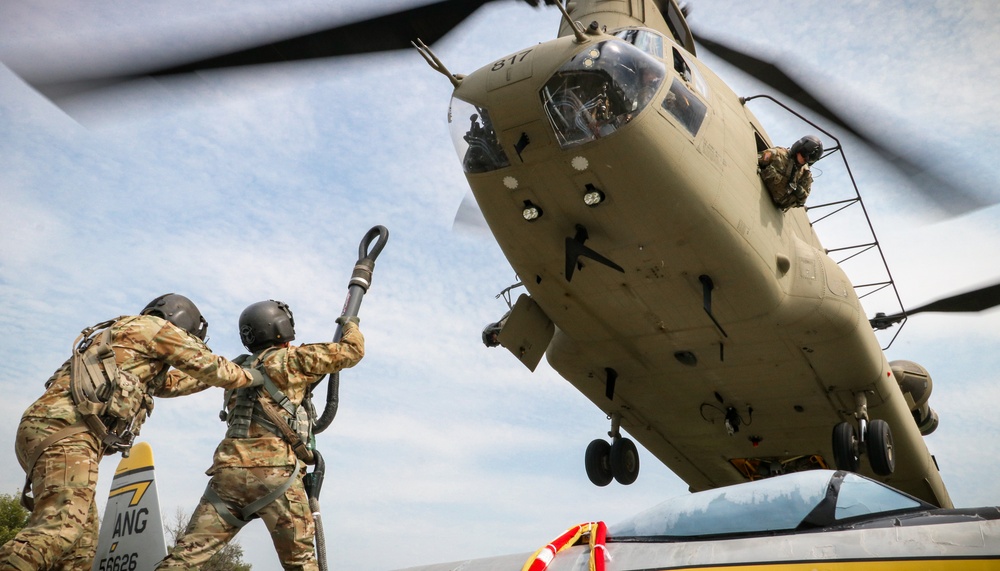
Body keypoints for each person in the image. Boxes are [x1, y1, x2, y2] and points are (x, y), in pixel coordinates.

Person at [0, 293, 263, 571]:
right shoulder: (157, 329)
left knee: (79, 551)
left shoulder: (126, 336)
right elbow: (213, 368)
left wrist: (222, 374)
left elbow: (169, 384)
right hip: (68, 434)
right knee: (61, 527)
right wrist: (255, 373)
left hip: (47, 431)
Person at [156, 299, 365, 571]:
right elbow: (352, 350)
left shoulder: (234, 368)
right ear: (283, 327)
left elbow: (172, 385)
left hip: (228, 478)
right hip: (277, 477)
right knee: (301, 564)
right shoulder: (294, 360)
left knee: (184, 559)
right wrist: (350, 324)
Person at [758, 135, 824, 209]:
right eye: (804, 155)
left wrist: (799, 192)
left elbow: (802, 200)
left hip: (775, 208)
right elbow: (759, 160)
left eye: (807, 160)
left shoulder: (805, 175)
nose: (803, 160)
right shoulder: (778, 154)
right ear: (799, 148)